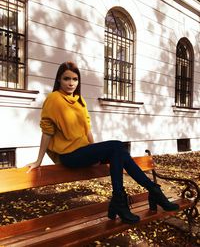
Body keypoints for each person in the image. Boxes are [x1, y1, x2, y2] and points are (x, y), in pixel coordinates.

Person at [27, 61, 179, 224]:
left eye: (75, 79)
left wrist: (94, 154)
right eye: (66, 79)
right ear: (59, 80)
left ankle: (130, 199)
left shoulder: (80, 101)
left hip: (83, 152)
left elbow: (88, 130)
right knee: (117, 146)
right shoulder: (53, 99)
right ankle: (148, 193)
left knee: (119, 151)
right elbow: (47, 131)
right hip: (69, 155)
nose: (71, 83)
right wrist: (39, 160)